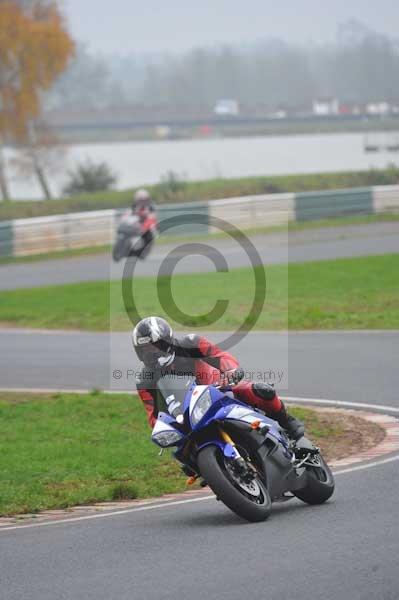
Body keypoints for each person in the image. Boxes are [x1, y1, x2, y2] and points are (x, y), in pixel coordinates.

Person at [133, 316, 304, 440]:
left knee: (260, 390)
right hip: (187, 415)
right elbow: (154, 416)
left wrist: (230, 372)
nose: (151, 354)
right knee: (179, 450)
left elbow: (220, 356)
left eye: (154, 348)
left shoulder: (190, 344)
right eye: (145, 350)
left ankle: (286, 420)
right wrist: (163, 428)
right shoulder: (145, 380)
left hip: (217, 390)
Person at [130, 189, 158, 258]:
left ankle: (144, 250)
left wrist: (149, 217)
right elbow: (130, 214)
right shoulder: (134, 206)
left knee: (152, 233)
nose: (142, 201)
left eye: (144, 199)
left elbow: (153, 216)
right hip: (137, 223)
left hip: (147, 225)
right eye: (140, 200)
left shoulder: (151, 205)